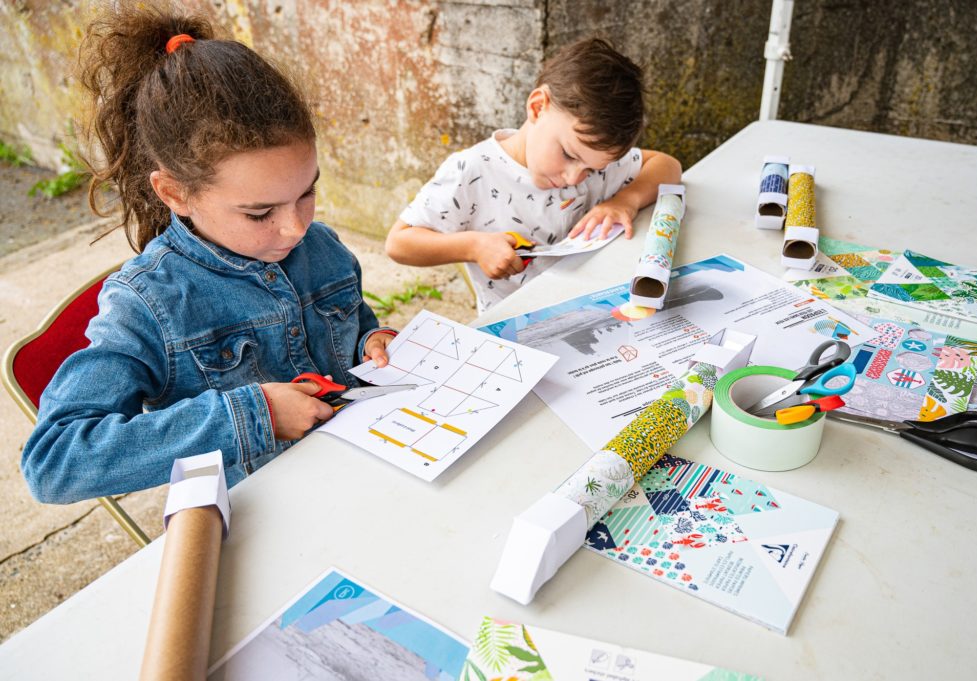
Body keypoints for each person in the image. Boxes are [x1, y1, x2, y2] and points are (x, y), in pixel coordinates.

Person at [21, 6, 395, 504]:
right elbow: (55, 461)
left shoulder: (321, 247)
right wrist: (253, 416)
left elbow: (350, 337)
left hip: (373, 475)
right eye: (259, 213)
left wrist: (373, 344)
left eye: (307, 192)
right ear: (175, 193)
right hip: (270, 519)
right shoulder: (148, 305)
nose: (296, 226)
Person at [385, 37, 682, 313]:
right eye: (569, 155)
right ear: (538, 107)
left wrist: (625, 200)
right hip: (514, 329)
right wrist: (473, 246)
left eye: (593, 170)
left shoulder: (589, 158)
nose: (574, 177)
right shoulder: (473, 170)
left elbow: (667, 165)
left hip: (591, 312)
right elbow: (399, 243)